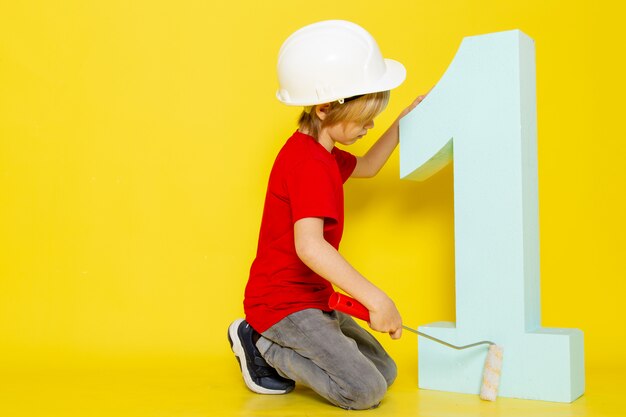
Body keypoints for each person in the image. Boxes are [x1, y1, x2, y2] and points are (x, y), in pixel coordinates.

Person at [227, 20, 426, 410]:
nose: (371, 125)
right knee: (363, 391)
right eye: (365, 117)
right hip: (283, 304)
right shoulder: (307, 164)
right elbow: (310, 247)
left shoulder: (324, 153)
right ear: (323, 108)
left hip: (314, 297)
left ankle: (277, 339)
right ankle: (260, 342)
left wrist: (402, 123)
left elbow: (367, 165)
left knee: (384, 372)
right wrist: (376, 298)